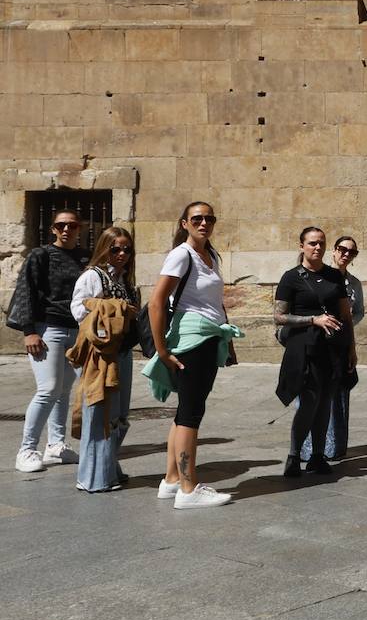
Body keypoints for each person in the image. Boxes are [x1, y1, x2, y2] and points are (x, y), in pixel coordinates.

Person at [143, 202, 242, 509]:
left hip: (209, 336)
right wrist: (161, 349)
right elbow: (156, 302)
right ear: (184, 223)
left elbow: (213, 302)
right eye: (197, 218)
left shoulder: (210, 255)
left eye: (209, 218)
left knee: (185, 409)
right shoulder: (181, 254)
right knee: (191, 413)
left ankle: (172, 480)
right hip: (192, 340)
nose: (204, 223)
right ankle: (188, 489)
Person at [7, 209, 87, 473]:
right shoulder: (40, 255)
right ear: (53, 229)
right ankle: (27, 449)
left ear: (80, 228)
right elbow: (25, 290)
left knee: (64, 390)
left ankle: (55, 445)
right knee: (48, 388)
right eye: (61, 225)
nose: (66, 229)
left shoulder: (84, 257)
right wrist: (29, 330)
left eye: (72, 225)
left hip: (75, 330)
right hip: (47, 329)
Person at [274, 227, 356, 477]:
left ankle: (318, 456)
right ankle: (294, 456)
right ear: (301, 246)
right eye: (312, 243)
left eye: (321, 243)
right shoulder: (291, 277)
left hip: (332, 348)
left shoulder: (333, 276)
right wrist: (313, 320)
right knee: (308, 402)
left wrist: (351, 349)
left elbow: (345, 315)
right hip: (305, 348)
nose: (317, 247)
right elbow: (279, 316)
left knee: (325, 403)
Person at [68, 227, 139, 492]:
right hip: (99, 354)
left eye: (126, 249)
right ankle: (92, 478)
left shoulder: (124, 281)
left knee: (119, 414)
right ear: (104, 248)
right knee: (99, 411)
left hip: (122, 351)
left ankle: (108, 467)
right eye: (115, 249)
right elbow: (78, 308)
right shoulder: (92, 276)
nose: (121, 254)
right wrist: (117, 308)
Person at [300, 236, 365, 462]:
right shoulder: (321, 276)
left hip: (340, 341)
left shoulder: (354, 283)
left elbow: (357, 311)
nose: (346, 255)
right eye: (342, 249)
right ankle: (307, 448)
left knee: (338, 394)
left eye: (351, 252)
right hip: (315, 341)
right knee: (311, 395)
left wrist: (345, 329)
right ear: (334, 251)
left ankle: (335, 446)